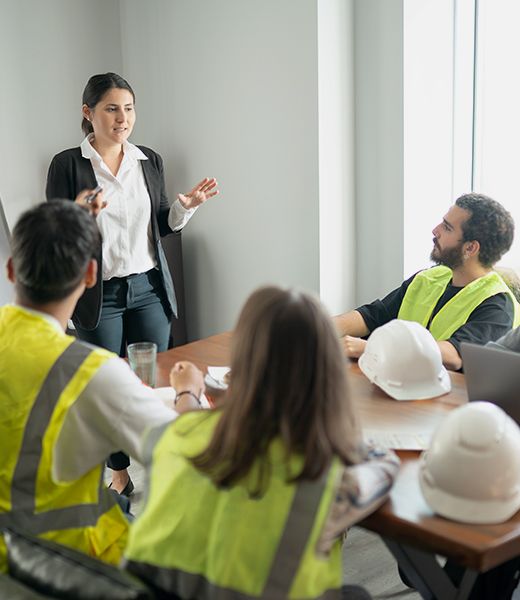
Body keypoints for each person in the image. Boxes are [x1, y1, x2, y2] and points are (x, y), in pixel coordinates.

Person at [123, 286, 400, 600]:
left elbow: (185, 422)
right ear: (327, 372)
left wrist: (188, 394)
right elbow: (386, 467)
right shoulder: (329, 479)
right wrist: (336, 430)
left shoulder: (173, 435)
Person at [0, 200, 200, 572]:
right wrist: (187, 390)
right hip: (66, 565)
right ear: (91, 275)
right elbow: (183, 450)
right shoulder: (92, 371)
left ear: (12, 270)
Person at [46, 72, 218, 494]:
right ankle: (119, 470)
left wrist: (185, 208)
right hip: (98, 297)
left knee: (149, 384)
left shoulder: (149, 160)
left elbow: (161, 225)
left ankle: (163, 466)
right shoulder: (68, 164)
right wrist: (80, 217)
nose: (122, 118)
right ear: (88, 113)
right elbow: (55, 231)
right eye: (111, 108)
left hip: (147, 291)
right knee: (107, 388)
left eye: (128, 108)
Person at [335, 193, 520, 371]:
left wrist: (372, 348)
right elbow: (374, 316)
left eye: (447, 228)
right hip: (401, 384)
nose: (435, 231)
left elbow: (454, 355)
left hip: (448, 398)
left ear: (470, 248)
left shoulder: (497, 305)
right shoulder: (429, 278)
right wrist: (322, 327)